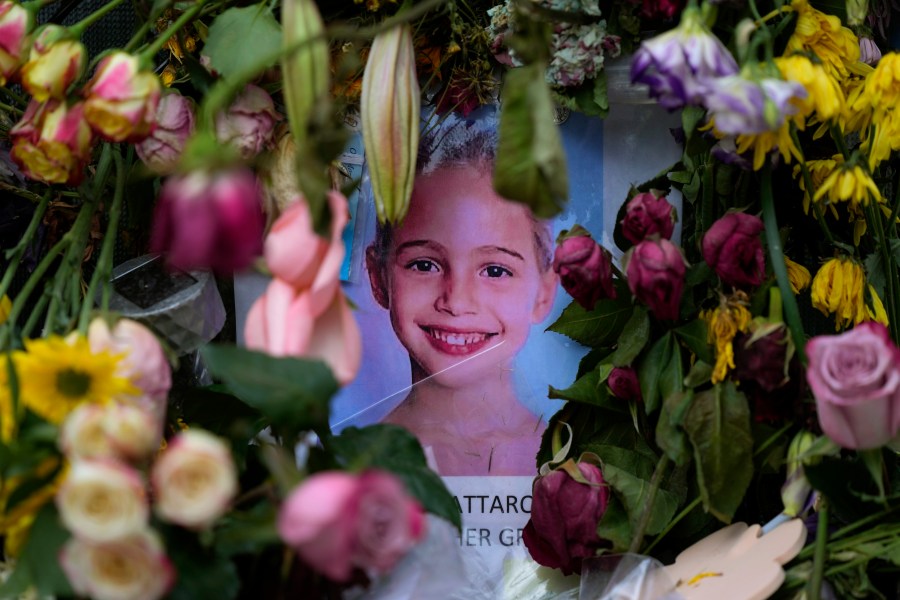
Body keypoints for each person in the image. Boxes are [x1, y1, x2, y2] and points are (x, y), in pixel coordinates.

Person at [364, 122, 558, 476]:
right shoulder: (350, 466)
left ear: (543, 293)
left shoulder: (575, 463)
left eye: (495, 271)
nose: (456, 301)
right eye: (424, 265)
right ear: (379, 278)